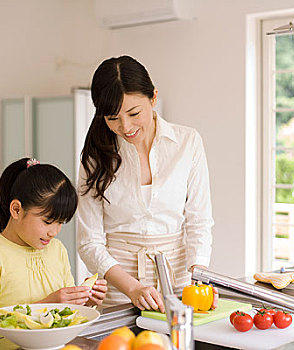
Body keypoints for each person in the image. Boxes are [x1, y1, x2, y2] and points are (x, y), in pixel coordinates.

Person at [77, 55, 215, 312]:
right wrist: (131, 288)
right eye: (112, 118)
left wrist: (201, 282)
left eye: (133, 113)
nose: (125, 126)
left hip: (180, 282)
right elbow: (88, 242)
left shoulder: (188, 143)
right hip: (119, 288)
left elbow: (199, 222)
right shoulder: (96, 157)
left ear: (153, 98)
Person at [0, 158, 107, 336]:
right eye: (48, 221)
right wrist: (48, 305)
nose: (54, 232)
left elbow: (66, 317)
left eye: (60, 222)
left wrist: (83, 301)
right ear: (16, 210)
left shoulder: (57, 249)